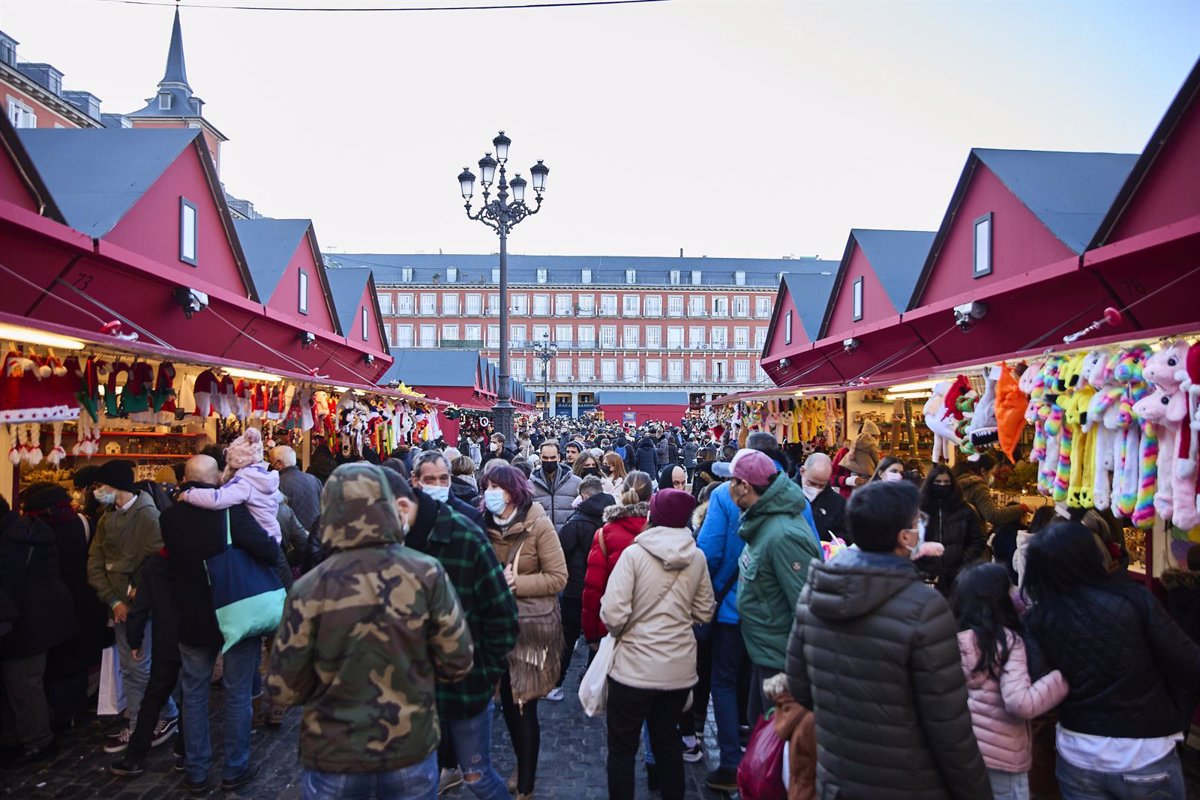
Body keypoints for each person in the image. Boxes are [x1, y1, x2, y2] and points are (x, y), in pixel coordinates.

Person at [267, 463, 474, 800]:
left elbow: (283, 686)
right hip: (409, 744)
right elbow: (458, 660)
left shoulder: (310, 588)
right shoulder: (426, 574)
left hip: (334, 749)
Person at [786, 480, 992, 799]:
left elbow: (800, 687)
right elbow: (949, 727)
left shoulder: (814, 594)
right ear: (904, 537)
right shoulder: (925, 608)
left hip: (838, 775)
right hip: (911, 781)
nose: (920, 527)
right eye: (916, 522)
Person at [1022, 522, 1200, 799]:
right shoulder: (1135, 600)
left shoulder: (1037, 619)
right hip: (1145, 751)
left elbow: (1039, 687)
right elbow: (1188, 661)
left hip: (1079, 753)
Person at [378, 468, 518, 800]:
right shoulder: (380, 544)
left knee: (477, 776)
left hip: (463, 687)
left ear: (400, 505)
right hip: (403, 694)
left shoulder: (464, 536)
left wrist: (486, 672)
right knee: (415, 781)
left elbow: (502, 614)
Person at [162, 455, 280, 793]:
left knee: (194, 693)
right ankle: (235, 767)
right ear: (218, 481)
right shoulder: (231, 512)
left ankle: (197, 770)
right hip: (234, 612)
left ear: (185, 480)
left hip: (192, 616)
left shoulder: (170, 518)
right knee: (238, 692)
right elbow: (269, 551)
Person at [601, 489, 715, 800]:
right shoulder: (697, 557)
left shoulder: (634, 555)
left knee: (622, 749)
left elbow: (612, 614)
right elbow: (705, 611)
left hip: (632, 670)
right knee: (668, 742)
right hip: (677, 670)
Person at [479, 464, 568, 800]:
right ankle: (517, 764)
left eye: (497, 487)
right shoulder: (481, 524)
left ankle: (526, 782)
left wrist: (518, 583)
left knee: (523, 704)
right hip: (493, 626)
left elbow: (558, 577)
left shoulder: (539, 526)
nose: (490, 493)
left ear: (514, 492)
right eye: (486, 486)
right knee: (503, 700)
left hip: (531, 627)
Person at [720, 449, 821, 725]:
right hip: (765, 653)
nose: (727, 488)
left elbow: (806, 607)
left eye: (731, 481)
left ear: (745, 487)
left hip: (781, 662)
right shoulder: (764, 523)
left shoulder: (783, 535)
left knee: (773, 744)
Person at [952, 563, 1068, 799]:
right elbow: (1020, 702)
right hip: (1004, 757)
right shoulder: (1006, 642)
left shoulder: (948, 640)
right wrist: (1061, 677)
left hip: (962, 753)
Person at [86, 459, 178, 754]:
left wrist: (133, 594)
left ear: (115, 486)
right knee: (134, 668)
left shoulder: (148, 518)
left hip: (139, 610)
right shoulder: (105, 517)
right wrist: (112, 599)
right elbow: (95, 563)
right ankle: (158, 715)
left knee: (137, 668)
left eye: (101, 486)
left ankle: (142, 724)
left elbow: (157, 561)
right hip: (118, 606)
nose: (97, 491)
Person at [20, 483, 107, 730]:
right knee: (76, 657)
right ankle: (75, 708)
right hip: (83, 594)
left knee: (57, 660)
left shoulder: (33, 531)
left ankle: (60, 713)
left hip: (50, 601)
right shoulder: (82, 522)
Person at [0, 495, 76, 763]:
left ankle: (38, 741)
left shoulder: (14, 542)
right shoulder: (25, 532)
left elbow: (9, 588)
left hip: (25, 624)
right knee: (23, 684)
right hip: (39, 620)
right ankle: (21, 737)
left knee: (24, 684)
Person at [108, 546, 186, 779]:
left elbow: (140, 606)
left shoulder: (154, 564)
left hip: (165, 640)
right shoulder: (196, 557)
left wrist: (135, 639)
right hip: (191, 637)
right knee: (190, 696)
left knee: (153, 697)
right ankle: (184, 751)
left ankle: (135, 757)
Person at [552, 476, 616, 702]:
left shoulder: (577, 521)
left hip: (576, 587)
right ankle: (593, 683)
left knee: (567, 637)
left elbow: (561, 552)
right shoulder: (614, 517)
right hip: (606, 587)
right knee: (598, 636)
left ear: (585, 496)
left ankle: (556, 682)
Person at [581, 471, 653, 646]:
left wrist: (591, 634)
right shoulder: (660, 530)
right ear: (650, 497)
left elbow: (594, 588)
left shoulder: (605, 533)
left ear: (622, 494)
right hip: (652, 628)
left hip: (610, 628)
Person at [179, 427, 281, 543]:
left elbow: (217, 499)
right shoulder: (263, 478)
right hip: (273, 533)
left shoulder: (244, 482)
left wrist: (188, 494)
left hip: (260, 538)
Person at [918, 464, 987, 595]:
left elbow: (978, 540)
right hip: (927, 576)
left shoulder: (965, 510)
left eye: (946, 482)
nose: (942, 485)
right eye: (938, 482)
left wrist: (963, 561)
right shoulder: (920, 510)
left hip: (957, 576)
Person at [412, 450, 485, 529]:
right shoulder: (406, 513)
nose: (438, 485)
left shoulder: (470, 516)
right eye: (430, 479)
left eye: (443, 479)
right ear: (415, 480)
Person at [957, 453, 1029, 530]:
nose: (992, 476)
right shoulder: (978, 487)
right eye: (991, 473)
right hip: (971, 535)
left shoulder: (958, 481)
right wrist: (1022, 508)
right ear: (983, 471)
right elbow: (993, 515)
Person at [528, 442, 581, 534]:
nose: (549, 461)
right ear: (540, 457)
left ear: (559, 457)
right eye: (545, 458)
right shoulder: (529, 485)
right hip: (542, 539)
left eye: (552, 458)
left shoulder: (576, 482)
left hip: (569, 538)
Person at [796, 453, 847, 543]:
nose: (816, 489)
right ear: (802, 471)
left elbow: (844, 529)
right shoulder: (785, 494)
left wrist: (841, 539)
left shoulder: (837, 502)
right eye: (811, 483)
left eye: (821, 485)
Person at [270, 445, 322, 532]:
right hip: (315, 535)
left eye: (272, 462)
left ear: (279, 464)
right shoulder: (314, 479)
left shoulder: (278, 483)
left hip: (294, 538)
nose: (271, 466)